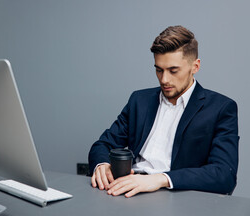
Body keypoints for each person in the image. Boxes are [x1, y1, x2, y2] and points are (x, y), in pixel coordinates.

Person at [88, 25, 239, 198]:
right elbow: (103, 145)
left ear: (195, 66)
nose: (164, 79)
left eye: (173, 71)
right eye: (158, 70)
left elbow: (223, 174)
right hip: (127, 191)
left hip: (177, 197)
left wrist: (161, 179)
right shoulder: (139, 100)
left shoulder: (221, 108)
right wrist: (101, 165)